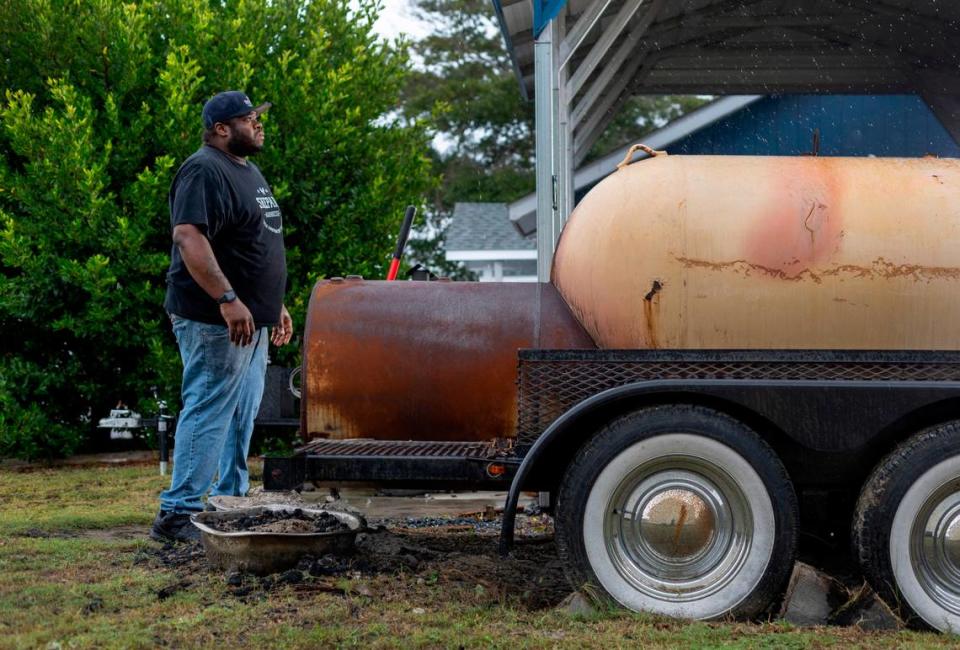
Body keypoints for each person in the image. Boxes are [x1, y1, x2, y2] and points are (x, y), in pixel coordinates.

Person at [151, 90, 293, 543]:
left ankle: (229, 499)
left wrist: (275, 305)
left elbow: (254, 242)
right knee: (210, 406)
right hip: (216, 319)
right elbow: (189, 237)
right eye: (250, 119)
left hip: (252, 320)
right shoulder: (203, 169)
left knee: (241, 413)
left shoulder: (247, 171)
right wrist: (228, 299)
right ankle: (177, 513)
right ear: (220, 129)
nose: (259, 125)